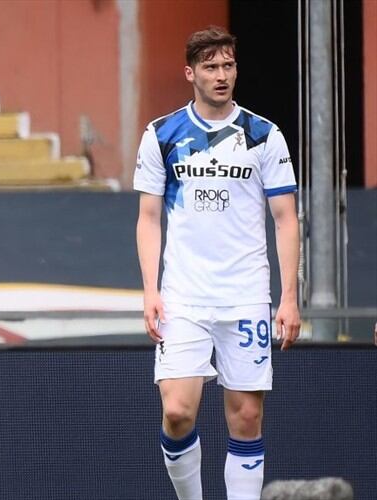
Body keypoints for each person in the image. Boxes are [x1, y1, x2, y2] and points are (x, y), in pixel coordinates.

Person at [134, 26, 301, 500]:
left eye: (228, 65)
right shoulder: (161, 135)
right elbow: (148, 219)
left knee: (247, 417)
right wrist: (150, 289)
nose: (221, 75)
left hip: (246, 293)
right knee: (177, 412)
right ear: (191, 73)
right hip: (184, 296)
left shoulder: (264, 135)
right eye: (210, 66)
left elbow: (286, 219)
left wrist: (289, 297)